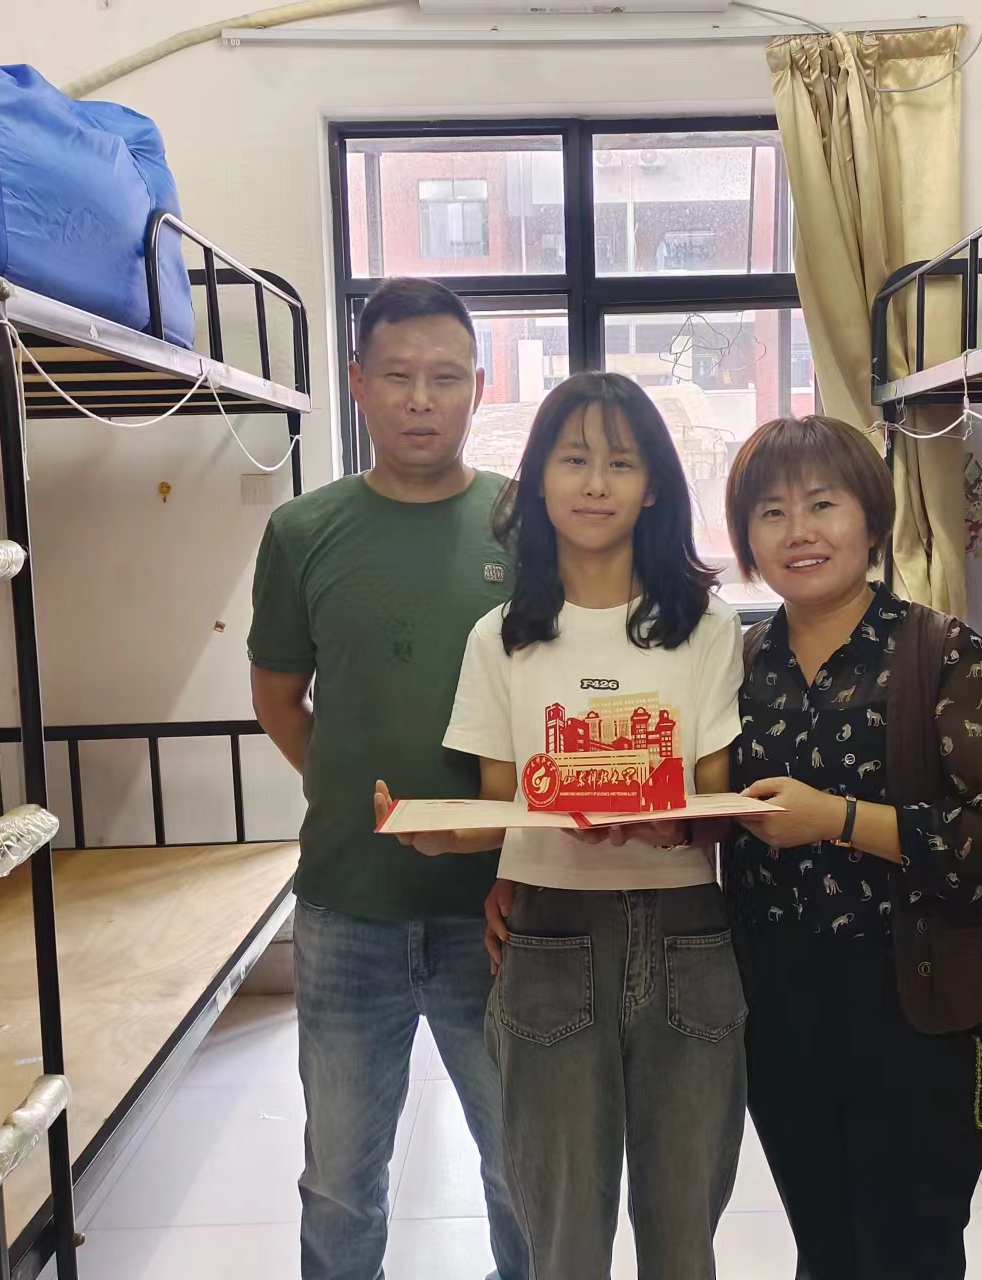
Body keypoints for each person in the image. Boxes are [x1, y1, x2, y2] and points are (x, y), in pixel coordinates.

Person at [375, 371, 746, 1279]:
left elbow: (714, 798)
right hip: (549, 934)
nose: (595, 483)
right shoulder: (501, 636)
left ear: (653, 486)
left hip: (689, 937)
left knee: (683, 1239)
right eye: (574, 460)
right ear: (538, 478)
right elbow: (506, 805)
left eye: (622, 462)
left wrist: (667, 827)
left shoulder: (705, 627)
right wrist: (439, 833)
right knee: (563, 1240)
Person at [248, 277, 528, 1280]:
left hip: (496, 909)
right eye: (398, 376)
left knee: (522, 1166)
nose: (421, 399)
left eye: (445, 377)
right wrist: (346, 789)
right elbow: (279, 699)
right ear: (358, 383)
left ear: (478, 388)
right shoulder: (302, 530)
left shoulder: (524, 523)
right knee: (340, 1179)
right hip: (346, 910)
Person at [723, 415, 982, 1280]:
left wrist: (837, 817)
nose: (799, 531)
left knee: (910, 1250)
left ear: (871, 518)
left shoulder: (944, 655)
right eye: (772, 512)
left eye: (823, 504)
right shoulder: (740, 664)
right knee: (823, 1245)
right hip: (777, 1002)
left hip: (915, 998)